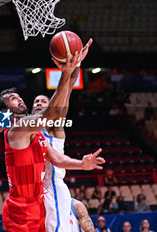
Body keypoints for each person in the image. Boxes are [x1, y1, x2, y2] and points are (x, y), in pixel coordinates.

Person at [0, 40, 104, 232]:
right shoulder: (17, 129)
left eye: (18, 96)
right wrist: (66, 72)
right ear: (6, 111)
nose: (19, 98)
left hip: (39, 202)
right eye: (12, 99)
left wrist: (82, 165)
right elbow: (51, 113)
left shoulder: (37, 134)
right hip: (21, 208)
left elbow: (57, 158)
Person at [30, 44, 96, 232]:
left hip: (51, 186)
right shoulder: (26, 128)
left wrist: (75, 66)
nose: (39, 103)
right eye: (36, 102)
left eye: (43, 101)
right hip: (34, 193)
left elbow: (65, 94)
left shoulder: (53, 124)